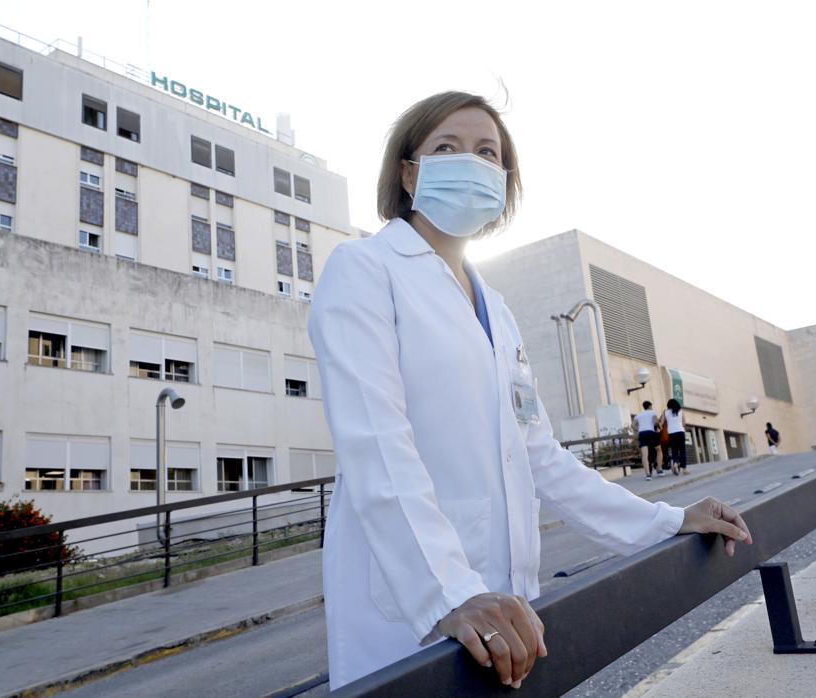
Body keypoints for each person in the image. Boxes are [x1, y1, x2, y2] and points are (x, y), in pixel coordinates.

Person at [308, 91, 752, 691]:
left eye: (488, 153)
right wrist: (449, 594)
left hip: (505, 614)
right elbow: (376, 446)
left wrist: (666, 521)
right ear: (409, 172)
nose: (472, 162)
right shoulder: (364, 269)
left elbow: (540, 456)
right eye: (448, 147)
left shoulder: (498, 311)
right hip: (413, 609)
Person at [658, 398, 688, 475]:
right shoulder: (681, 411)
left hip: (671, 433)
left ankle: (675, 463)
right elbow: (684, 423)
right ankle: (684, 469)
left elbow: (661, 423)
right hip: (680, 432)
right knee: (682, 450)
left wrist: (661, 429)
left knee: (674, 450)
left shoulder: (665, 412)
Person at [634, 401, 660, 480]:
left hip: (642, 433)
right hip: (650, 432)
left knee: (644, 455)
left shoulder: (638, 414)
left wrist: (639, 429)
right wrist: (657, 426)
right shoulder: (652, 412)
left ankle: (648, 475)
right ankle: (659, 469)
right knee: (658, 450)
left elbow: (633, 425)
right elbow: (656, 422)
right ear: (650, 406)